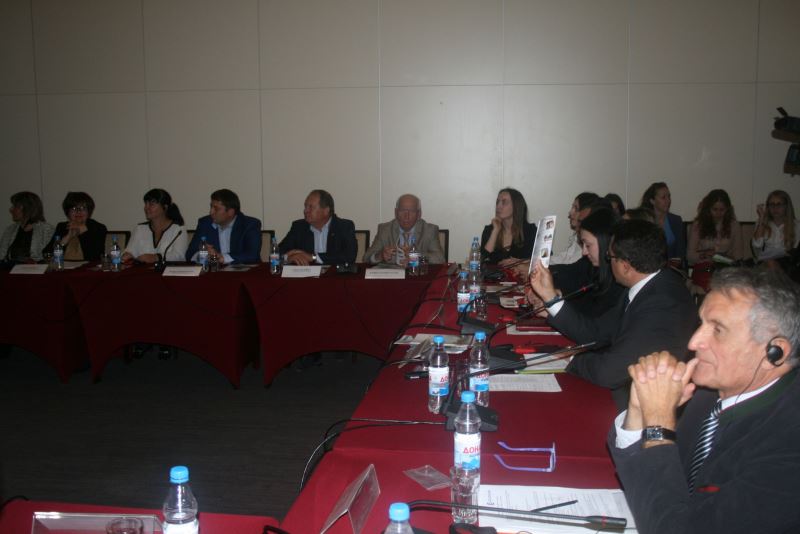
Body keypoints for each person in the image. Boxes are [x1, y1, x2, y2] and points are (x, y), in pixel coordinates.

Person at [609, 267, 800, 534]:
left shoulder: (789, 449)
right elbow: (663, 483)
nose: (694, 341)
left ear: (774, 353)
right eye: (701, 324)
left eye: (718, 330)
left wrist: (658, 424)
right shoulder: (710, 394)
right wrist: (640, 410)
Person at [529, 219, 697, 410]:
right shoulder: (647, 286)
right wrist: (550, 299)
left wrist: (572, 359)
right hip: (627, 391)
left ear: (625, 265)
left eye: (610, 258)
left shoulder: (664, 303)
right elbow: (595, 332)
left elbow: (608, 372)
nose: (608, 263)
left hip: (648, 408)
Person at [547, 208, 626, 316]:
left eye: (588, 245)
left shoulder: (620, 279)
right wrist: (558, 294)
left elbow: (595, 315)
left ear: (604, 242)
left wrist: (556, 301)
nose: (584, 252)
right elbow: (569, 273)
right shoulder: (592, 265)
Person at [279, 189, 356, 266]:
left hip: (333, 273)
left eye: (311, 207)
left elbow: (349, 256)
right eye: (305, 206)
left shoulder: (344, 227)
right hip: (306, 273)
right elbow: (277, 252)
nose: (305, 211)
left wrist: (313, 257)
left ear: (326, 210)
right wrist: (287, 258)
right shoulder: (299, 227)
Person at [185, 189, 262, 265]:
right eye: (211, 207)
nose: (211, 212)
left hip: (245, 271)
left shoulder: (250, 224)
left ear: (230, 212)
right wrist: (202, 255)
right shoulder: (205, 223)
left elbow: (252, 255)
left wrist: (222, 258)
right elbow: (189, 254)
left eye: (216, 209)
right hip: (214, 271)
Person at [363, 194, 445, 264]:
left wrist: (416, 257)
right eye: (402, 210)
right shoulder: (385, 229)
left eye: (412, 211)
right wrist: (380, 255)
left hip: (417, 274)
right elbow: (366, 258)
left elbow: (440, 259)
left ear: (419, 214)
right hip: (392, 276)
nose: (406, 216)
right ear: (396, 212)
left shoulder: (429, 230)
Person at [122, 189, 188, 264]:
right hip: (142, 270)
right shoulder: (140, 229)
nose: (146, 207)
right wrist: (127, 255)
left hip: (168, 271)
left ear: (165, 207)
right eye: (146, 203)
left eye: (151, 204)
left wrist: (156, 257)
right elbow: (130, 251)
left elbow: (179, 256)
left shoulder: (178, 229)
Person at [44, 192, 107, 262]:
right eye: (74, 208)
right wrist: (66, 239)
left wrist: (83, 231)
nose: (78, 211)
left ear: (88, 211)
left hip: (87, 268)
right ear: (68, 212)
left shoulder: (98, 228)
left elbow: (96, 257)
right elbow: (47, 254)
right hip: (63, 267)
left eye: (83, 208)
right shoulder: (62, 227)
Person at [480, 188, 536, 265]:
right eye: (497, 202)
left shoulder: (530, 231)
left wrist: (519, 262)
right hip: (493, 273)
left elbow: (544, 260)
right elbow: (482, 260)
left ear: (516, 206)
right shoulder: (489, 230)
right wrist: (495, 231)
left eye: (504, 202)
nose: (498, 206)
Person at [687, 189, 742, 265]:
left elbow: (738, 256)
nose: (718, 213)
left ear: (727, 209)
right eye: (715, 209)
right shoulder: (699, 224)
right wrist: (704, 254)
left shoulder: (734, 225)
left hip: (726, 268)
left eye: (722, 210)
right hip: (705, 266)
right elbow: (689, 255)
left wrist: (727, 258)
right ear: (708, 208)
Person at [0, 191, 54, 263]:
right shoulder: (10, 229)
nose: (11, 209)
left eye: (15, 206)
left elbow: (52, 257)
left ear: (27, 208)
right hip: (11, 269)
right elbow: (2, 256)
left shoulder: (46, 229)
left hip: (38, 269)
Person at [640, 182, 685, 266]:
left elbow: (680, 251)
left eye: (669, 196)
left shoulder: (676, 220)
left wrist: (676, 262)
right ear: (652, 201)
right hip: (649, 267)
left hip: (672, 268)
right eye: (663, 197)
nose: (668, 200)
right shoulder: (645, 221)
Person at [751, 190, 799, 266]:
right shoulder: (762, 223)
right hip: (766, 262)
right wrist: (762, 219)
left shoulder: (796, 225)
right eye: (772, 204)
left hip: (788, 264)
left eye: (779, 204)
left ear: (786, 206)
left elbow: (796, 252)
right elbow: (757, 245)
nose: (775, 208)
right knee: (770, 263)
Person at [550, 192, 599, 266]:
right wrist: (540, 262)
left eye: (576, 209)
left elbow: (572, 267)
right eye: (572, 207)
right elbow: (564, 257)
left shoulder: (588, 243)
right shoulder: (577, 236)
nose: (570, 212)